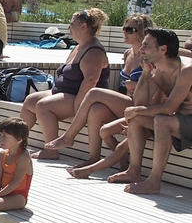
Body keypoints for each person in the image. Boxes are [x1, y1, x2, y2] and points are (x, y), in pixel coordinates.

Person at [45, 14, 151, 165]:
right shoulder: (127, 54)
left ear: (142, 32)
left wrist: (138, 85)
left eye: (129, 29)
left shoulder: (149, 55)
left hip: (140, 104)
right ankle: (95, 157)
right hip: (125, 103)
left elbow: (159, 79)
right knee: (95, 110)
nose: (124, 32)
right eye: (123, 28)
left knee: (94, 92)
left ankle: (69, 137)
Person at [20, 8, 110, 159]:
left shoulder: (94, 51)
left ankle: (51, 150)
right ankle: (17, 139)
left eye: (72, 24)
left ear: (83, 27)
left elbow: (90, 82)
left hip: (81, 98)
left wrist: (79, 107)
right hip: (65, 92)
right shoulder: (78, 47)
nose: (69, 27)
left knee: (43, 106)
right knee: (30, 101)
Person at [110, 28, 192, 194]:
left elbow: (168, 108)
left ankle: (154, 181)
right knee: (136, 119)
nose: (140, 49)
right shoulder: (158, 71)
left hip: (186, 120)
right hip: (182, 121)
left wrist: (137, 109)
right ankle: (134, 170)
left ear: (163, 49)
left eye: (146, 45)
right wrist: (146, 74)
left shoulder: (187, 70)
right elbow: (138, 102)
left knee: (161, 120)